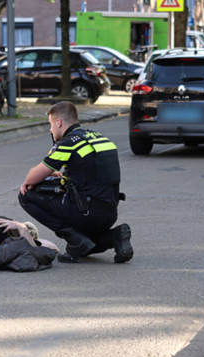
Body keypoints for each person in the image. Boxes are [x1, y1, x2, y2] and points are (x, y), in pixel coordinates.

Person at [17, 101, 133, 263]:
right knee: (88, 245)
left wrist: (47, 171)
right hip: (109, 212)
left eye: (51, 124)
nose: (50, 129)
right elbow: (90, 174)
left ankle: (74, 239)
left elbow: (31, 179)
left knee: (26, 194)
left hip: (86, 213)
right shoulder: (99, 138)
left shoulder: (68, 143)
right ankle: (115, 236)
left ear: (58, 122)